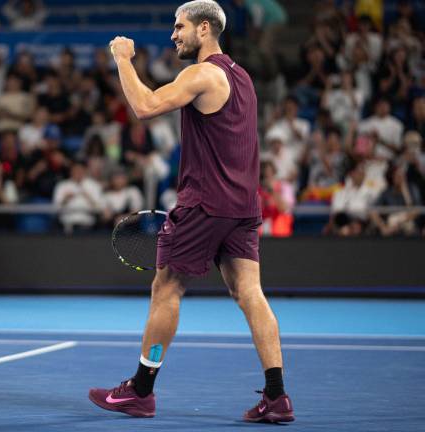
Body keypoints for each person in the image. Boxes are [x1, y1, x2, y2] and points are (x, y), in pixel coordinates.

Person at [89, 0, 294, 423]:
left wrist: (122, 60)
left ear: (204, 29)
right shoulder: (243, 78)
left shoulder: (201, 73)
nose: (173, 34)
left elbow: (144, 107)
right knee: (249, 294)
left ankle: (141, 391)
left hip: (205, 203)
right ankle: (277, 396)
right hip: (242, 206)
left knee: (166, 288)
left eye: (179, 26)